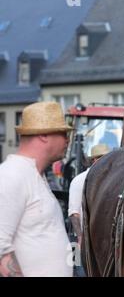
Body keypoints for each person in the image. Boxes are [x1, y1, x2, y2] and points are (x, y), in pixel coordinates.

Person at [0, 102, 73, 277]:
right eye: (63, 133)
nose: (67, 139)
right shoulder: (11, 175)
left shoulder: (34, 175)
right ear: (43, 135)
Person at [68, 143, 110, 245]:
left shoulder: (112, 180)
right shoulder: (79, 180)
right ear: (94, 160)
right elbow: (74, 213)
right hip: (89, 240)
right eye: (102, 157)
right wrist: (80, 237)